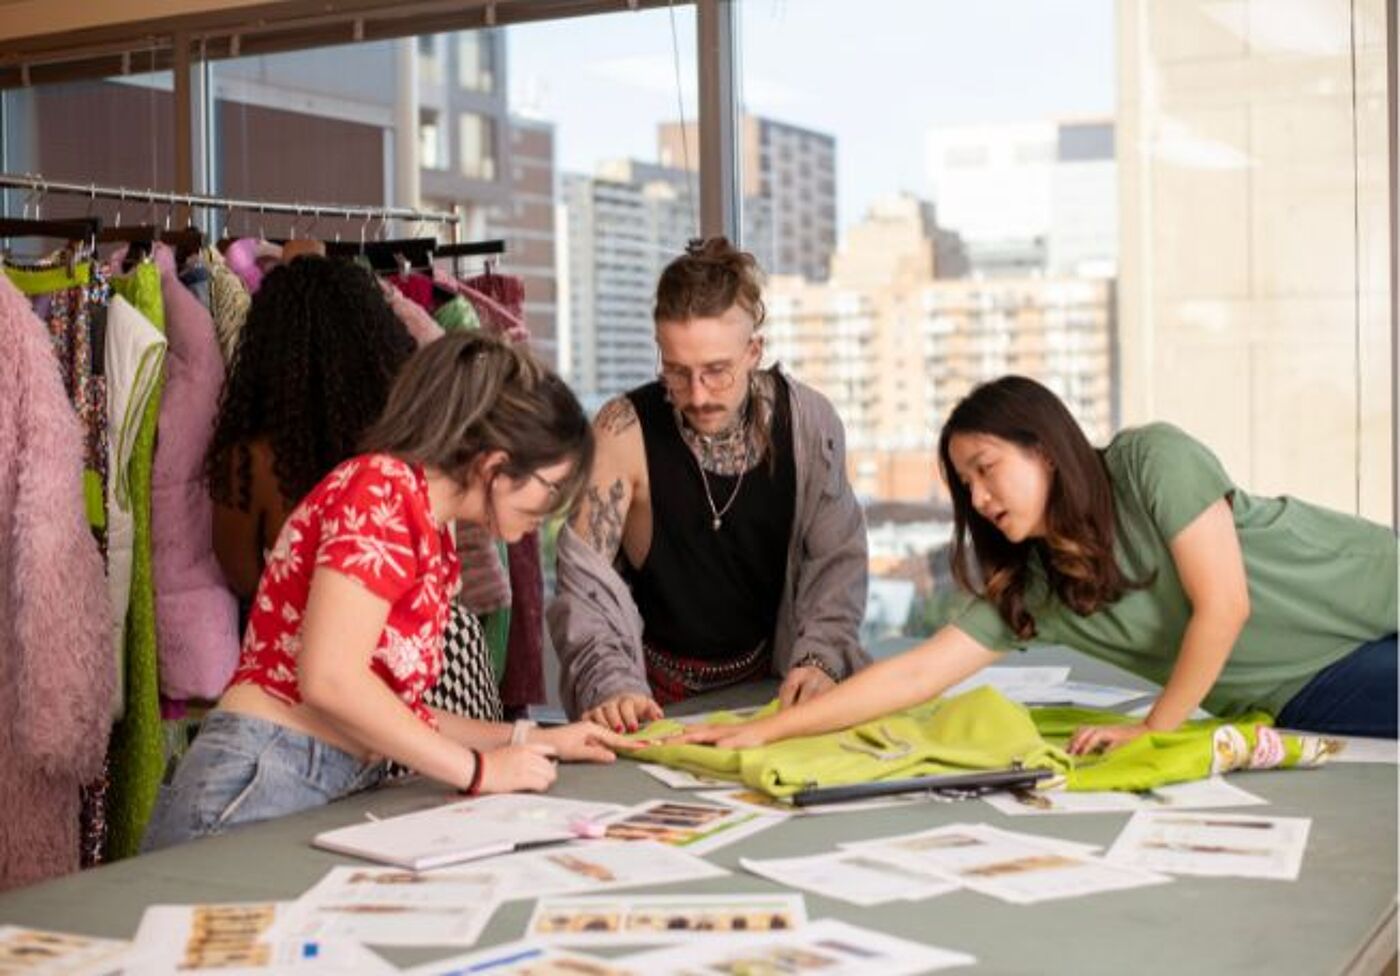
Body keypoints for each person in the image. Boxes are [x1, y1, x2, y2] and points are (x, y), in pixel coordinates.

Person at [677, 375, 1398, 752]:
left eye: (987, 468)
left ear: (1045, 448)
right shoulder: (1033, 589)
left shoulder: (1152, 461)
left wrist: (1154, 729)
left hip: (1374, 589)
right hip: (1307, 686)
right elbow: (917, 673)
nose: (980, 497)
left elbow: (1225, 604)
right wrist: (762, 729)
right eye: (965, 486)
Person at [143, 333, 632, 851]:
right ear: (495, 465)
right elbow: (330, 681)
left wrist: (530, 739)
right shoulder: (380, 491)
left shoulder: (427, 524)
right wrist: (478, 771)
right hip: (264, 774)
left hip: (309, 772)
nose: (546, 515)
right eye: (550, 490)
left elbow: (392, 710)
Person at [549, 237, 871, 732]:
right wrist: (612, 685)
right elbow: (584, 589)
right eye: (677, 373)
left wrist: (823, 660)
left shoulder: (810, 423)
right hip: (650, 700)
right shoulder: (621, 431)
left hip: (778, 687)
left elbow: (837, 565)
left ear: (753, 352)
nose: (697, 395)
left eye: (717, 372)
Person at [206, 255, 418, 605]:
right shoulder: (400, 446)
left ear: (265, 347)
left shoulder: (249, 462)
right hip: (396, 645)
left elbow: (242, 578)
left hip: (289, 650)